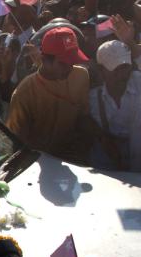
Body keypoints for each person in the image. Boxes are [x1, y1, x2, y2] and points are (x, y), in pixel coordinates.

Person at [6, 27, 97, 162]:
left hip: (73, 160)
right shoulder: (24, 93)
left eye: (72, 61)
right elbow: (14, 142)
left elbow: (84, 116)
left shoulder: (81, 75)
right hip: (37, 163)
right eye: (63, 63)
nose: (70, 68)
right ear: (44, 59)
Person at [88, 39, 141, 169]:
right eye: (116, 69)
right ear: (101, 70)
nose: (122, 74)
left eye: (125, 67)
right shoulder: (91, 98)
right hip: (104, 165)